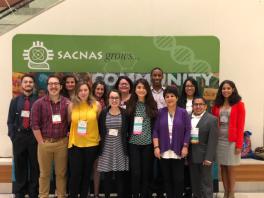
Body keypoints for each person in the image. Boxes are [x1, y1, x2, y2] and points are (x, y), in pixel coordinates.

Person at [31, 75, 70, 198]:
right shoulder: (38, 103)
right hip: (45, 143)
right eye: (51, 84)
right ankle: (43, 195)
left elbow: (71, 122)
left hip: (62, 143)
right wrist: (41, 142)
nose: (53, 86)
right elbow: (34, 125)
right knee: (44, 174)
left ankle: (61, 195)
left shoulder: (67, 103)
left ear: (60, 86)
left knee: (61, 174)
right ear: (47, 86)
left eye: (56, 84)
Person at [153, 86, 191, 198]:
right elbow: (155, 130)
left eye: (172, 96)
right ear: (164, 99)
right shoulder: (160, 112)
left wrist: (185, 146)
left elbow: (188, 130)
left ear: (177, 98)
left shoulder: (183, 113)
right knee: (167, 179)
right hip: (164, 151)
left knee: (178, 179)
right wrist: (156, 147)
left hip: (178, 150)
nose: (169, 98)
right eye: (167, 96)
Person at [68, 81, 102, 198]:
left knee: (87, 174)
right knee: (75, 175)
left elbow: (98, 122)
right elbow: (69, 122)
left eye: (85, 90)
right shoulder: (71, 105)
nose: (83, 93)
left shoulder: (96, 105)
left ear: (89, 91)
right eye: (80, 90)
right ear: (77, 92)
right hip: (75, 144)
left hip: (92, 144)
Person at [7, 74, 39, 198]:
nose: (28, 84)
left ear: (33, 85)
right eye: (26, 82)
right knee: (20, 166)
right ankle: (19, 192)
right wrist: (13, 136)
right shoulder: (15, 101)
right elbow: (10, 120)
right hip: (19, 137)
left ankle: (33, 192)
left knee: (35, 165)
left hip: (34, 137)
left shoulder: (38, 101)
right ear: (22, 84)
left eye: (30, 82)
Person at [212, 80, 245, 198]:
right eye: (224, 88)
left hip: (232, 141)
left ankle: (232, 193)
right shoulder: (217, 105)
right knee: (223, 167)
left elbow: (241, 126)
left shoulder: (239, 105)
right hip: (219, 140)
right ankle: (225, 192)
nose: (226, 90)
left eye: (228, 88)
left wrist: (239, 145)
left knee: (230, 167)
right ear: (221, 91)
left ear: (233, 90)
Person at [127, 78, 158, 198]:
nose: (141, 90)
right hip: (133, 144)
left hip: (148, 144)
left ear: (147, 90)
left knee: (146, 173)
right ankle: (135, 195)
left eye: (144, 88)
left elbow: (155, 126)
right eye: (139, 87)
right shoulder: (130, 104)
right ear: (135, 89)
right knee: (135, 173)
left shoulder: (152, 104)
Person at [97, 89, 130, 198]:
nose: (114, 100)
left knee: (120, 177)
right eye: (112, 98)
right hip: (107, 149)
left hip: (120, 148)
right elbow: (100, 130)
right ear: (108, 99)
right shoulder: (104, 112)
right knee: (107, 177)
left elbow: (128, 130)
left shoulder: (125, 113)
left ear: (120, 99)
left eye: (116, 98)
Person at [189, 97, 218, 198]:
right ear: (192, 106)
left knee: (206, 183)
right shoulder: (187, 117)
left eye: (201, 104)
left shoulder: (212, 119)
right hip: (191, 156)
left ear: (205, 106)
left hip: (204, 156)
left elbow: (213, 140)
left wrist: (209, 157)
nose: (198, 106)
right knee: (195, 182)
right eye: (195, 104)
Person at [177, 77, 200, 198]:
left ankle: (194, 190)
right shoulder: (180, 101)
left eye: (191, 86)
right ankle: (185, 191)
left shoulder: (200, 101)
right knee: (183, 164)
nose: (189, 88)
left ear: (195, 87)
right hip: (182, 138)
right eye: (187, 86)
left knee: (194, 164)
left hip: (196, 138)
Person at [150, 67, 166, 198]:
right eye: (154, 75)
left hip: (164, 130)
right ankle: (150, 190)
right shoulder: (146, 92)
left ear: (162, 77)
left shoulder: (167, 92)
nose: (156, 77)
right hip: (148, 128)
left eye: (159, 75)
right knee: (149, 163)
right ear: (151, 77)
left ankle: (160, 192)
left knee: (162, 162)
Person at [91, 80, 107, 197]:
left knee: (97, 166)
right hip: (88, 138)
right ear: (93, 90)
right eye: (98, 89)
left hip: (102, 138)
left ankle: (96, 194)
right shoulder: (88, 101)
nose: (100, 91)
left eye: (102, 89)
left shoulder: (106, 102)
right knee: (86, 166)